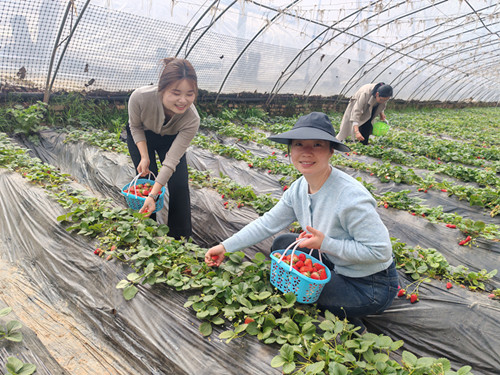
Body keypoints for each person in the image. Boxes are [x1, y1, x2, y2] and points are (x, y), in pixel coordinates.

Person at [204, 112, 399, 331]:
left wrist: (325, 244)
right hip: (337, 263)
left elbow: (380, 252)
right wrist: (224, 247)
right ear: (289, 151)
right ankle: (336, 300)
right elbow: (267, 223)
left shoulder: (350, 197)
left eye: (317, 144)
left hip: (369, 285)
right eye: (298, 144)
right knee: (282, 244)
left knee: (298, 289)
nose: (306, 152)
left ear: (330, 151)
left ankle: (350, 321)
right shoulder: (299, 188)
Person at [126, 58, 200, 239]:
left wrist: (153, 194)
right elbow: (134, 127)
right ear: (162, 88)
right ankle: (146, 230)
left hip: (171, 139)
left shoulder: (192, 119)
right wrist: (144, 157)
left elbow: (171, 161)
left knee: (179, 184)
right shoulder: (140, 97)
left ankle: (180, 238)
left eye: (190, 94)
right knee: (147, 176)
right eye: (176, 93)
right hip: (143, 136)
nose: (183, 100)